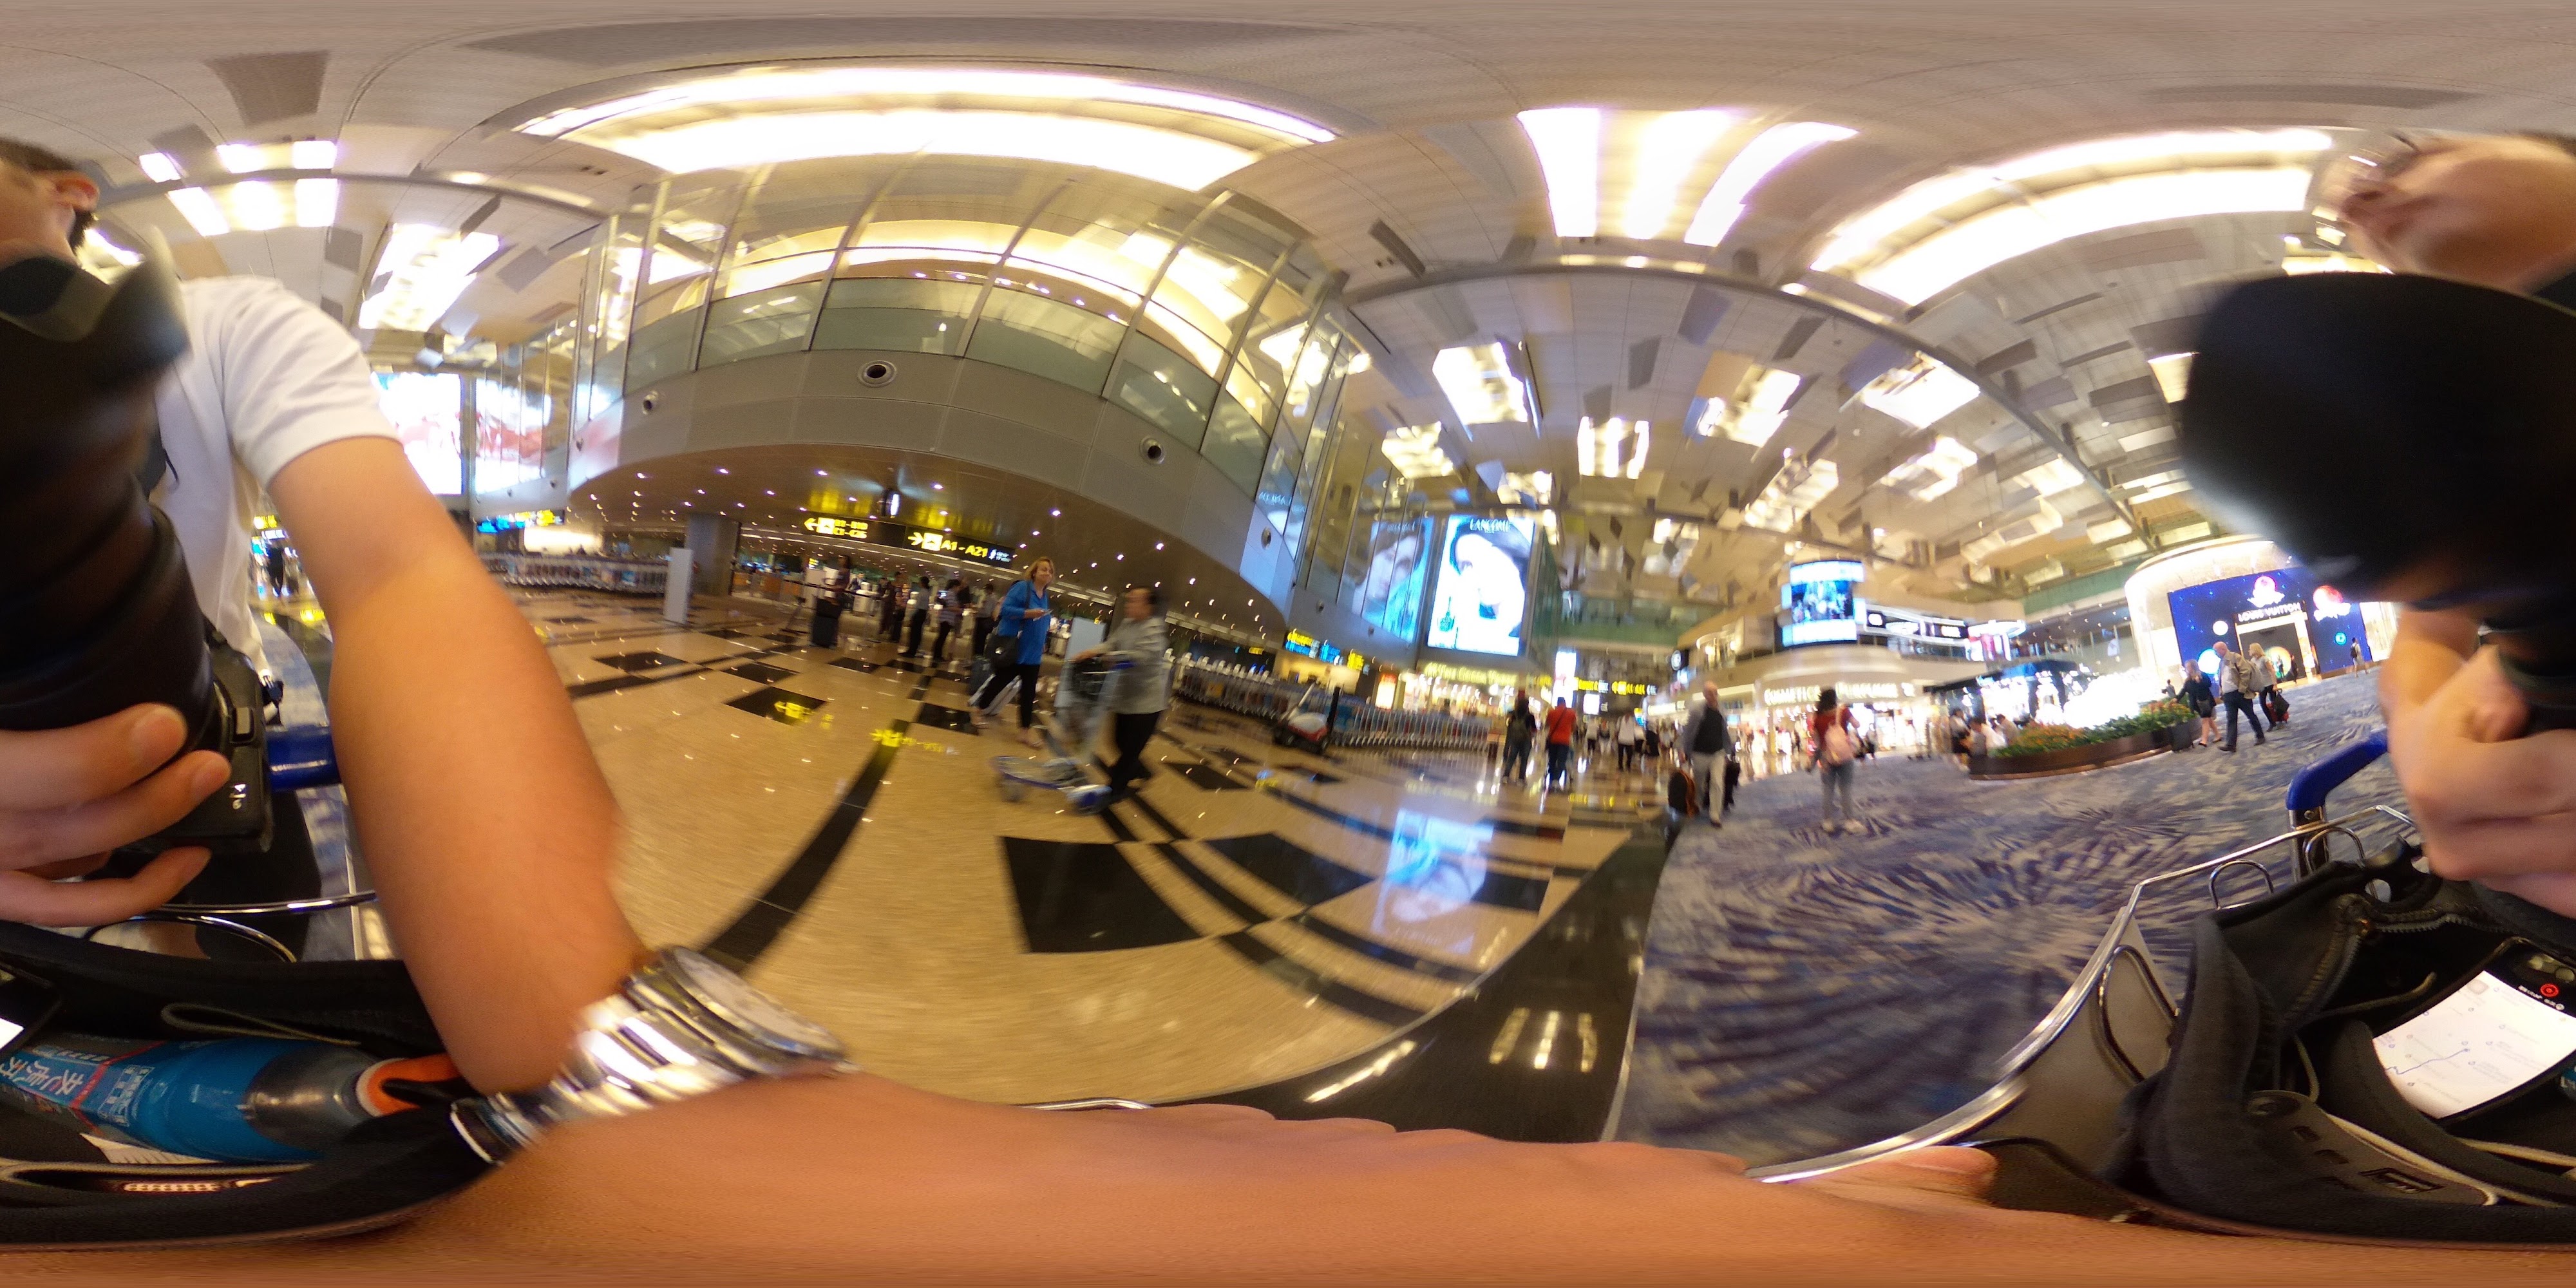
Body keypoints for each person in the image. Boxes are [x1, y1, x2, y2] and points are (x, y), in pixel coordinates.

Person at [0, 138, 634, 1093]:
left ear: (69, 195)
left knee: (242, 975)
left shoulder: (220, 326)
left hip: (208, 753)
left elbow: (399, 576)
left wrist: (556, 1049)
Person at [1077, 585, 1171, 806]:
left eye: (1134, 601)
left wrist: (1113, 658)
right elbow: (1113, 643)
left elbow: (1141, 657)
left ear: (1148, 606)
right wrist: (1095, 651)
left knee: (1129, 751)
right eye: (1128, 600)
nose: (1129, 605)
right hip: (1126, 699)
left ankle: (1114, 790)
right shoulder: (1127, 624)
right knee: (1117, 741)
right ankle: (1141, 770)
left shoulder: (1155, 629)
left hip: (1148, 704)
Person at [974, 556, 1056, 748]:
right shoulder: (1023, 588)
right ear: (1034, 572)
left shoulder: (1044, 595)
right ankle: (977, 711)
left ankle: (1025, 732)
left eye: (1050, 571)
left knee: (1028, 693)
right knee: (999, 682)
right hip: (1016, 649)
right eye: (1044, 569)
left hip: (1033, 653)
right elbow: (1006, 609)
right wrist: (1028, 613)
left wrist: (1042, 642)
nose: (1047, 573)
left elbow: (1041, 621)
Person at [1681, 681, 1732, 822]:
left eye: (1715, 692)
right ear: (1705, 695)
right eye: (1710, 693)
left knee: (1717, 782)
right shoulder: (1697, 711)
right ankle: (1697, 802)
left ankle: (1715, 814)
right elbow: (1688, 731)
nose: (1714, 695)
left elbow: (1724, 732)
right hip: (1700, 753)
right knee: (1700, 782)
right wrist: (1684, 750)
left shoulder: (1722, 710)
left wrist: (1729, 751)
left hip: (1718, 752)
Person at [1811, 688, 1860, 833]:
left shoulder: (1818, 717)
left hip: (1827, 758)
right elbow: (1857, 724)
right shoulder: (1843, 711)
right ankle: (1849, 821)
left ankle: (1828, 822)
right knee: (1846, 789)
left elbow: (1817, 741)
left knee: (1828, 790)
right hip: (1845, 756)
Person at [2215, 642, 2266, 752]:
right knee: (2231, 719)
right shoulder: (2221, 662)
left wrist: (2242, 689)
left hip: (2240, 694)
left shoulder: (2235, 657)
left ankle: (2260, 736)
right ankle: (2231, 744)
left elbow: (2245, 672)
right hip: (2228, 696)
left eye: (2216, 651)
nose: (2215, 653)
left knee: (2250, 715)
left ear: (2222, 649)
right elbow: (2222, 678)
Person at [2179, 661, 2217, 748]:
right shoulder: (2188, 680)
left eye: (2188, 667)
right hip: (2197, 704)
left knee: (2205, 721)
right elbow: (2184, 690)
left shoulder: (2202, 675)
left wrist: (2199, 681)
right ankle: (2218, 735)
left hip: (2205, 701)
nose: (2187, 669)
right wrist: (2177, 698)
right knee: (2208, 720)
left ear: (2193, 667)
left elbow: (2208, 684)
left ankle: (2204, 740)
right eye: (2186, 667)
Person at [1501, 688, 1537, 784]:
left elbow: (1508, 723)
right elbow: (1534, 730)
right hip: (1526, 740)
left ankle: (1506, 776)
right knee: (1524, 760)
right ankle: (1521, 779)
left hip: (1515, 739)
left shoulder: (1513, 714)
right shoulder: (1530, 716)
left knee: (1511, 758)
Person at [1542, 696, 1577, 789]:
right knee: (1562, 761)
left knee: (1552, 760)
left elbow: (1547, 725)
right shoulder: (1572, 713)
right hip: (1565, 741)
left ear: (1557, 703)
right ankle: (1556, 780)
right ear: (1565, 703)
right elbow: (1574, 727)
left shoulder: (1551, 712)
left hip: (1553, 740)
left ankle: (1552, 777)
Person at [930, 577, 964, 665]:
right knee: (942, 638)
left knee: (942, 637)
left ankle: (937, 655)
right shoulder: (951, 594)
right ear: (954, 586)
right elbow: (950, 607)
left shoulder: (949, 594)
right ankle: (937, 656)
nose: (958, 589)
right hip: (947, 619)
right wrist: (959, 610)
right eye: (958, 587)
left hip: (945, 619)